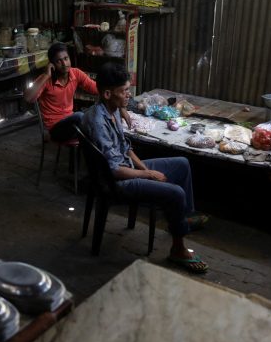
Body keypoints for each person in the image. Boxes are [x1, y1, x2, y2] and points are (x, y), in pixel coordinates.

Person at [82, 62, 209, 273]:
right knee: (176, 193)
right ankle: (178, 249)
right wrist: (148, 173)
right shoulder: (98, 121)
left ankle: (182, 220)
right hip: (116, 181)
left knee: (182, 164)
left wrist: (144, 169)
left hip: (126, 168)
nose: (129, 95)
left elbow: (126, 148)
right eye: (124, 91)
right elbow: (114, 170)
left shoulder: (112, 110)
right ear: (107, 93)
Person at [25, 42, 130, 142]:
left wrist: (120, 106)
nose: (64, 64)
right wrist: (46, 75)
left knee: (94, 111)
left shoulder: (75, 73)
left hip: (72, 123)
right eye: (59, 61)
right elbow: (28, 98)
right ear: (52, 64)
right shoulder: (46, 79)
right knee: (80, 116)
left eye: (66, 58)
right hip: (55, 129)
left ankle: (105, 144)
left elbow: (97, 89)